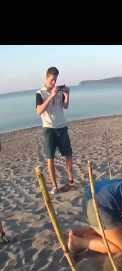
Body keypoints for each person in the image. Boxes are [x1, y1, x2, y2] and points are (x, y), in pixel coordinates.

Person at [35, 66, 74, 194]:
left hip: (62, 127)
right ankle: (55, 186)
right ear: (47, 78)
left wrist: (67, 95)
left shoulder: (57, 91)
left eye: (55, 80)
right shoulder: (40, 93)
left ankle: (70, 181)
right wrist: (51, 96)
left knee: (68, 155)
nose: (54, 83)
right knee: (50, 158)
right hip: (49, 129)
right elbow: (39, 111)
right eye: (52, 80)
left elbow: (65, 106)